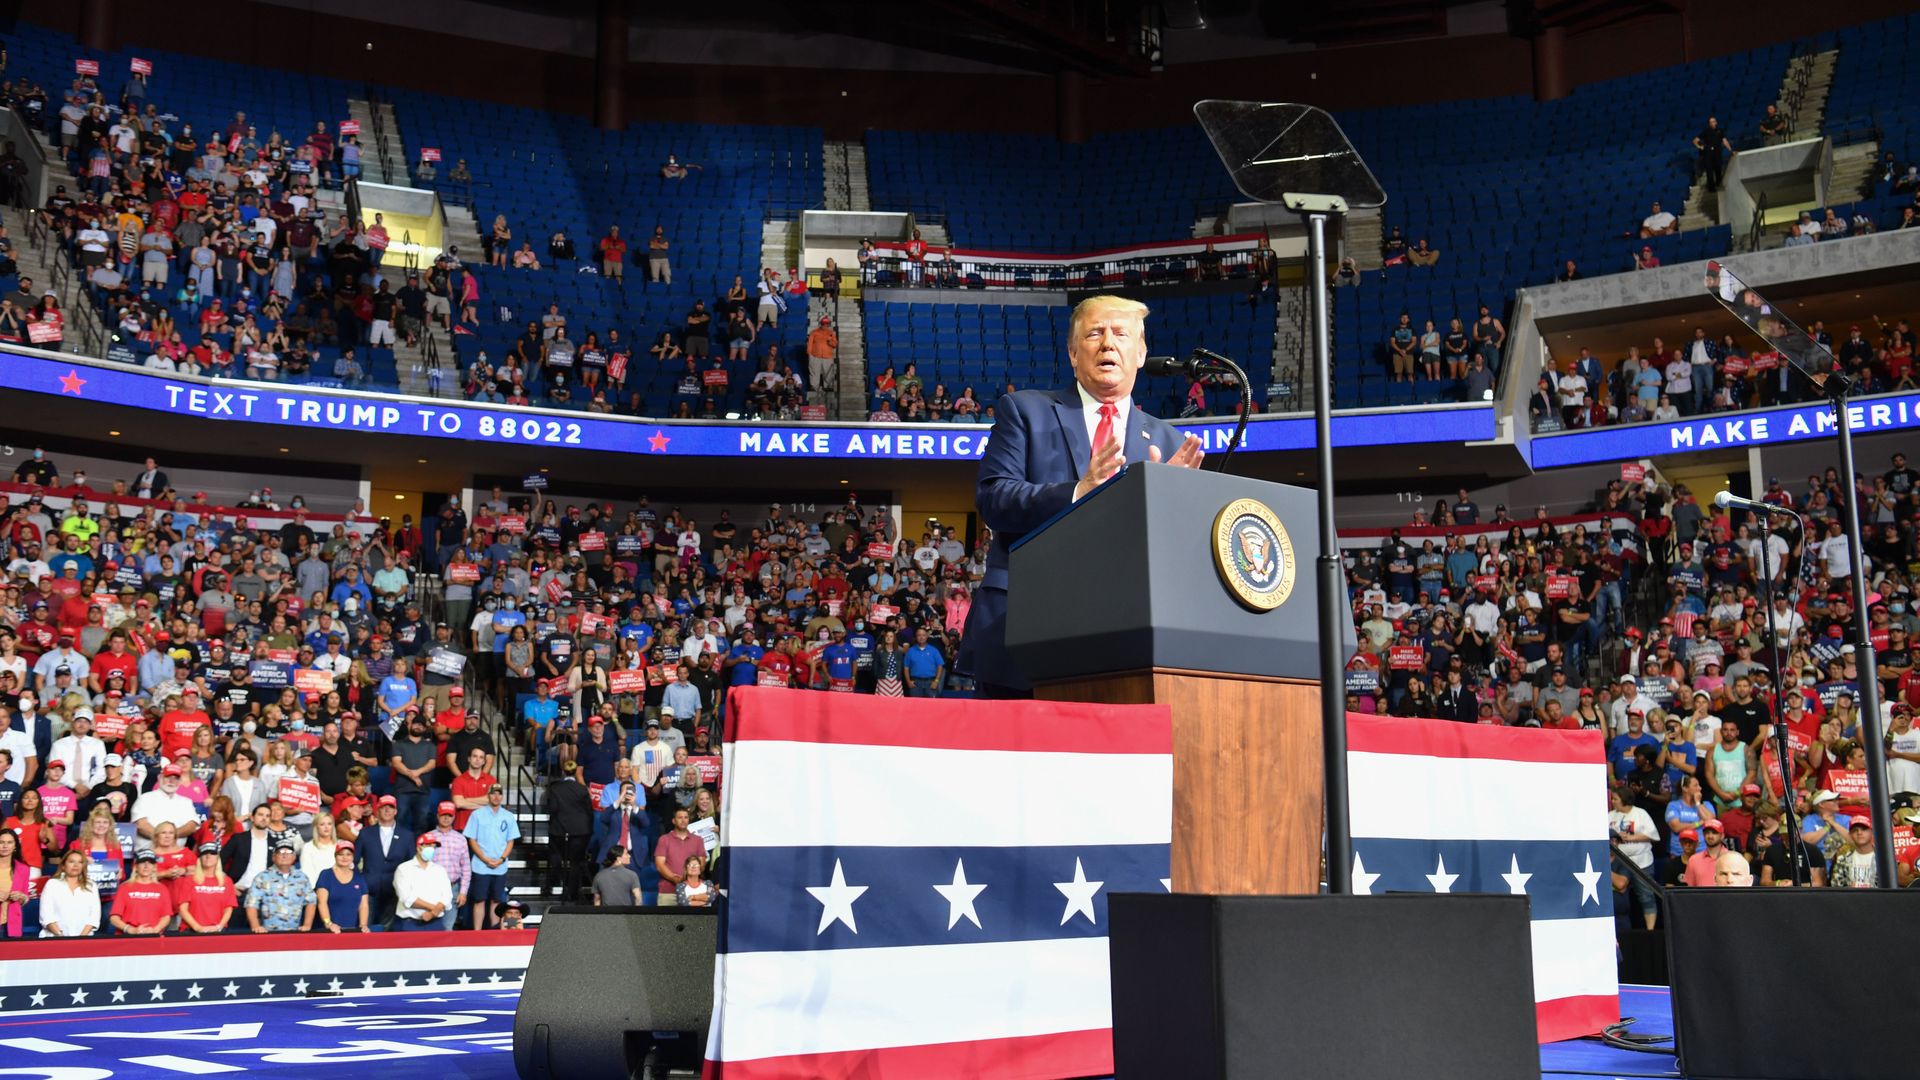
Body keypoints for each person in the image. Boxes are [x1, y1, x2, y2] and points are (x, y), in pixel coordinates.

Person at [961, 296, 1205, 696]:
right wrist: (1079, 491)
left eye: (1121, 334)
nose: (1108, 343)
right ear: (1074, 354)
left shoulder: (1169, 441)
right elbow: (994, 497)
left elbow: (1176, 554)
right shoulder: (1024, 411)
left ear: (1141, 352)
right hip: (1026, 628)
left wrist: (1171, 505)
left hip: (1128, 639)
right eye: (1095, 333)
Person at [462, 782, 518, 929]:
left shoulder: (508, 816)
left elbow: (510, 841)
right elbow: (472, 839)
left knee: (496, 901)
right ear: (488, 795)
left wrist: (501, 859)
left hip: (500, 867)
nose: (496, 796)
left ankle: (494, 932)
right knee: (479, 900)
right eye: (493, 793)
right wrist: (484, 858)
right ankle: (477, 933)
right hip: (481, 866)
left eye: (499, 793)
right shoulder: (477, 814)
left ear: (502, 796)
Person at [243, 841, 314, 933]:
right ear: (273, 857)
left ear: (294, 857)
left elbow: (311, 901)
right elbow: (251, 903)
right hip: (268, 933)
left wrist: (307, 925)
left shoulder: (302, 878)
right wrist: (256, 926)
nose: (284, 855)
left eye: (288, 852)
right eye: (280, 852)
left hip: (295, 933)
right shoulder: (262, 877)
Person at [392, 834, 455, 930]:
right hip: (410, 924)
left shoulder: (440, 870)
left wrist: (433, 913)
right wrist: (434, 908)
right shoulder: (403, 869)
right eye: (428, 846)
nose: (432, 849)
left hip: (435, 923)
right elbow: (406, 897)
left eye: (434, 847)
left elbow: (447, 896)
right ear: (419, 848)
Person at [174, 842, 238, 933]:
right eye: (205, 853)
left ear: (217, 858)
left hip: (218, 930)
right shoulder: (189, 880)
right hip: (191, 931)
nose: (208, 856)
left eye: (212, 853)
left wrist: (219, 926)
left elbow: (228, 908)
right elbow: (183, 909)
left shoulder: (227, 881)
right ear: (199, 859)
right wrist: (198, 928)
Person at [108, 851, 174, 934]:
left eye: (150, 863)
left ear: (154, 867)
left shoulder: (162, 888)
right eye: (142, 862)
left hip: (154, 938)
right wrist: (130, 929)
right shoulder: (124, 887)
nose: (146, 866)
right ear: (136, 866)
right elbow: (114, 917)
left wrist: (155, 930)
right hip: (127, 938)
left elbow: (166, 916)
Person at [39, 849, 100, 937]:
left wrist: (80, 939)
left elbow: (94, 917)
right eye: (71, 861)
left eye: (80, 862)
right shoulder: (52, 884)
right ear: (63, 865)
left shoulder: (91, 885)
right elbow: (46, 916)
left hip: (84, 940)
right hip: (55, 938)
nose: (76, 865)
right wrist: (61, 938)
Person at [653, 807, 704, 905]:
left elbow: (701, 864)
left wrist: (688, 879)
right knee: (665, 920)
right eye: (680, 817)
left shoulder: (698, 840)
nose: (683, 820)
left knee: (692, 921)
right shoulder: (664, 839)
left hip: (692, 892)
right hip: (668, 892)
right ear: (674, 821)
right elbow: (660, 865)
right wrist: (674, 878)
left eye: (686, 817)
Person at [315, 840, 370, 932]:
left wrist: (363, 925)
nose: (345, 857)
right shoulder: (326, 875)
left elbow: (364, 905)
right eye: (341, 854)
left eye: (348, 854)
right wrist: (328, 923)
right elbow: (322, 903)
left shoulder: (359, 878)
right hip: (330, 931)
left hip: (353, 931)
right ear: (335, 856)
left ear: (353, 857)